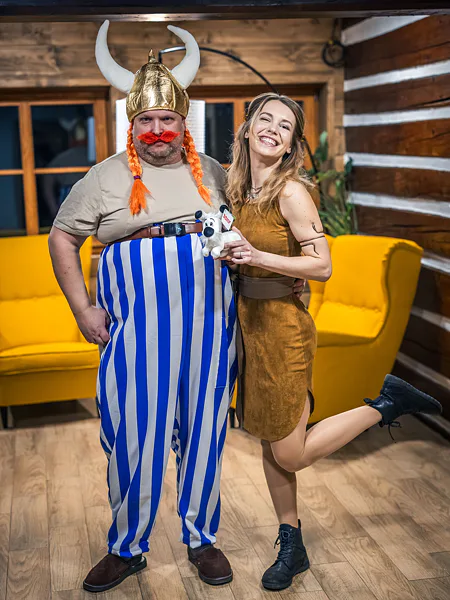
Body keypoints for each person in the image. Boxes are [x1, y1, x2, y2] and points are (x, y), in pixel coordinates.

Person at [222, 92, 442, 592]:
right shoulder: (234, 186)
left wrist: (257, 257)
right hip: (248, 326)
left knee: (291, 453)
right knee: (271, 438)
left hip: (283, 329)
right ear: (247, 128)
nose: (272, 129)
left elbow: (322, 266)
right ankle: (292, 543)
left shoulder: (291, 193)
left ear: (291, 145)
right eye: (265, 119)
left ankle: (386, 404)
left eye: (285, 126)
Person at [49, 21, 237, 593]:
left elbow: (239, 233)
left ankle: (202, 539)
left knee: (205, 435)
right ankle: (127, 548)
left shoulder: (213, 172)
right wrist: (83, 310)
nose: (158, 131)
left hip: (209, 331)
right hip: (137, 336)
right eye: (146, 122)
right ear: (132, 125)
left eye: (167, 121)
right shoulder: (104, 177)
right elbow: (62, 237)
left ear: (184, 124)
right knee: (135, 439)